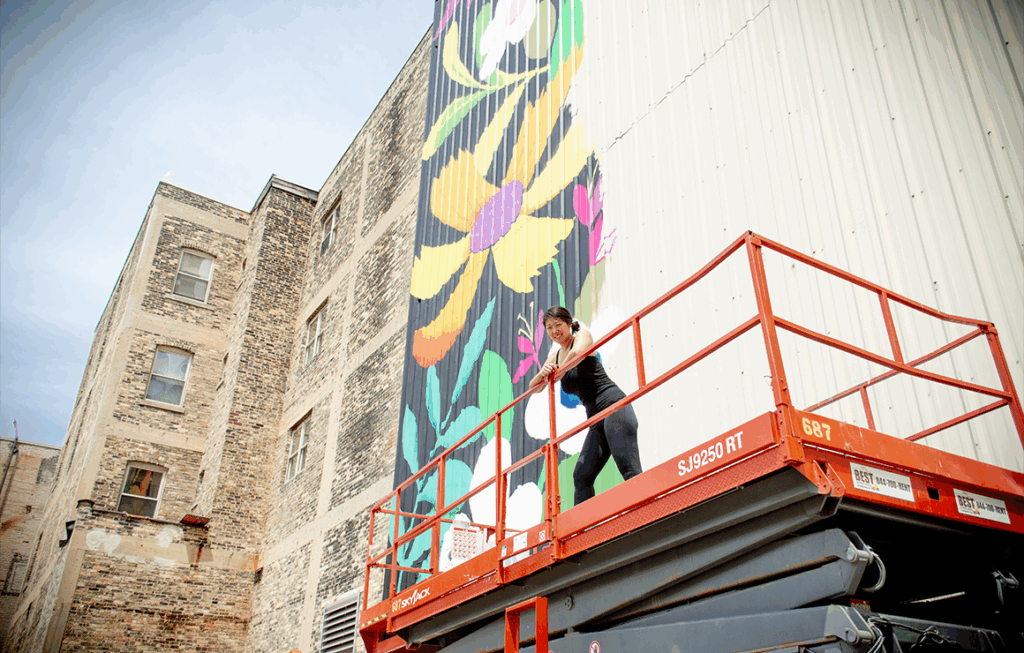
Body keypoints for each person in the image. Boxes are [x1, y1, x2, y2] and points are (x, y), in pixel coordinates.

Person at [529, 306, 642, 504]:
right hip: (596, 419)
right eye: (549, 328)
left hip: (614, 406)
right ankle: (583, 531)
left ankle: (647, 510)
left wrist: (557, 373)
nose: (555, 331)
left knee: (627, 467)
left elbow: (579, 353)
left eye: (558, 325)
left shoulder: (581, 335)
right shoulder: (555, 356)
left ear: (569, 324)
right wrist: (543, 372)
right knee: (581, 476)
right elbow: (534, 387)